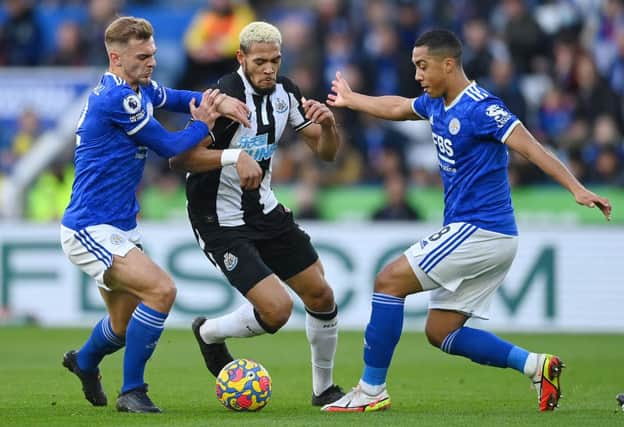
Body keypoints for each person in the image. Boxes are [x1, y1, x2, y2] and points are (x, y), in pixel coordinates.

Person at [321, 29, 612, 413]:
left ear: (449, 64)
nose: (418, 75)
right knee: (440, 331)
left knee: (388, 281)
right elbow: (398, 107)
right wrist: (353, 100)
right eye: (414, 66)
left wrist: (576, 188)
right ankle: (535, 366)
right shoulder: (437, 103)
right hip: (486, 234)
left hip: (481, 229)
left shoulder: (480, 107)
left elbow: (531, 146)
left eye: (422, 66)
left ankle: (371, 389)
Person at [59, 16, 250, 413]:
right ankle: (133, 392)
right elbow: (168, 146)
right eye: (143, 56)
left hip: (120, 225)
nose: (152, 62)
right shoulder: (117, 98)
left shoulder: (138, 87)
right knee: (162, 291)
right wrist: (204, 124)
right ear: (116, 57)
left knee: (123, 326)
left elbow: (177, 97)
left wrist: (217, 98)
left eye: (154, 54)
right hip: (89, 227)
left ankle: (85, 361)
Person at [169, 21, 345, 407]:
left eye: (275, 61)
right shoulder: (223, 97)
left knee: (321, 293)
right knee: (277, 310)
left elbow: (327, 153)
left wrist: (330, 128)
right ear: (241, 58)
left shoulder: (286, 92)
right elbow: (180, 157)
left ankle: (324, 390)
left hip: (265, 209)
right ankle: (209, 333)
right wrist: (234, 156)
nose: (269, 69)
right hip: (218, 219)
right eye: (261, 61)